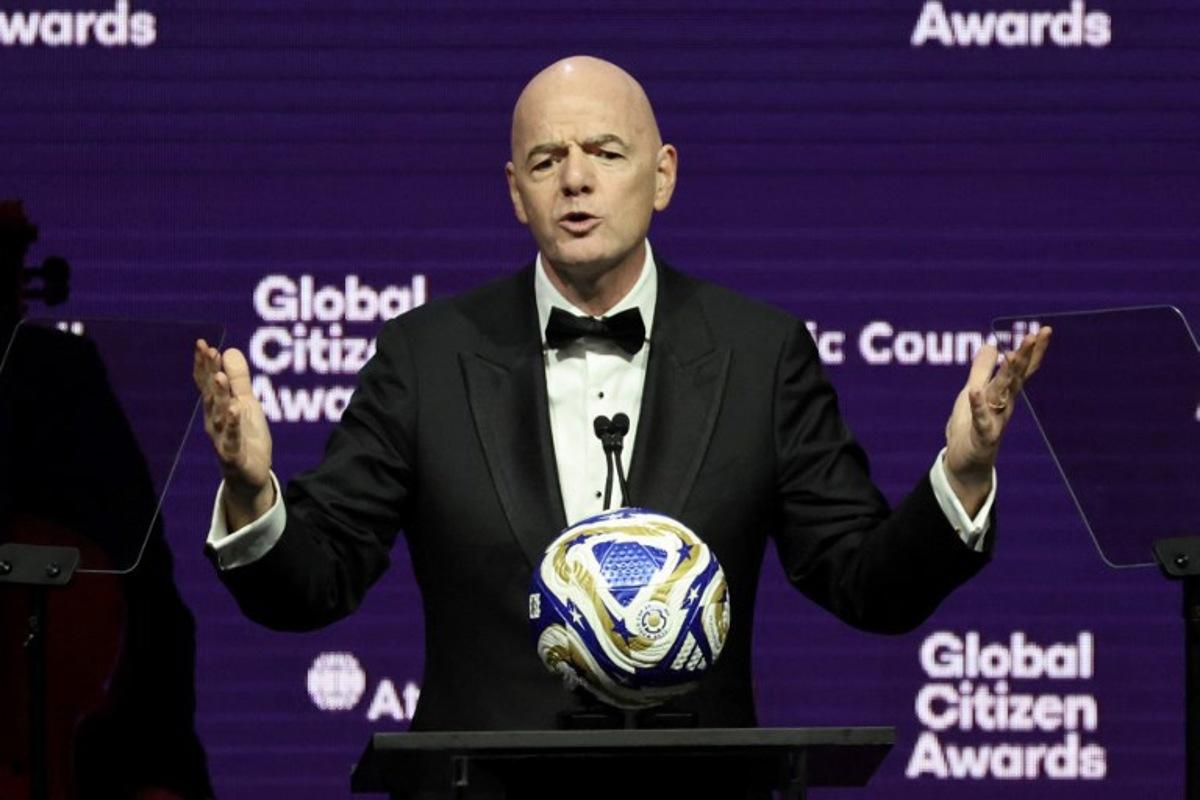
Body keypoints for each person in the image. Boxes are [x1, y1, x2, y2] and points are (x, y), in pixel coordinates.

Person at [194, 57, 1050, 732]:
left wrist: (963, 477)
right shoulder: (427, 355)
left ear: (663, 174)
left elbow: (866, 583)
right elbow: (314, 585)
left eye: (605, 153)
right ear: (515, 192)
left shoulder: (761, 354)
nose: (576, 179)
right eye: (547, 159)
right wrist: (250, 490)